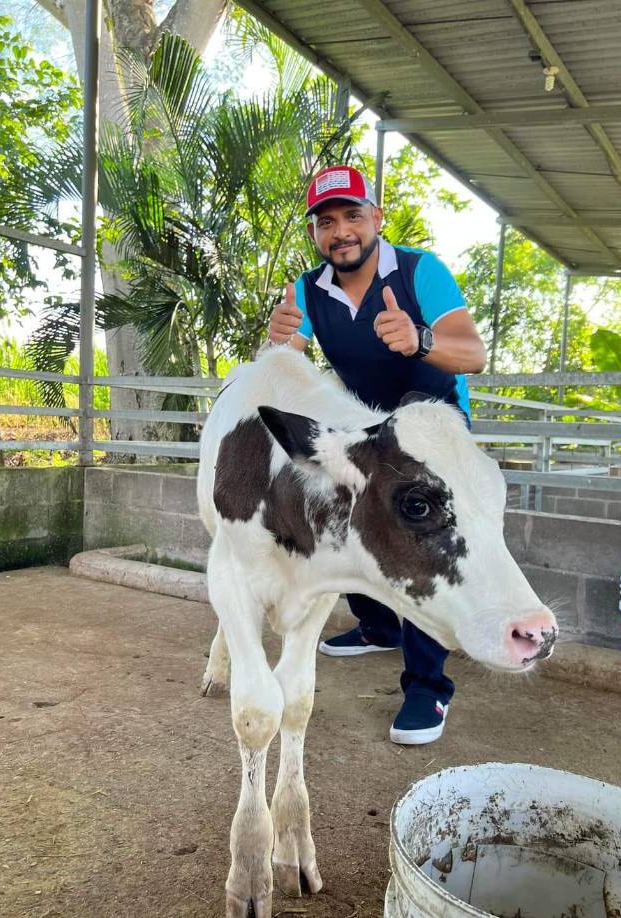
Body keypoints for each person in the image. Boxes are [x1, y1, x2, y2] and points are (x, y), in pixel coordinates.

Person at [268, 164, 487, 745]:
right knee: (341, 513)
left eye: (352, 216)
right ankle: (376, 625)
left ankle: (427, 688)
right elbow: (288, 359)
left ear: (376, 219)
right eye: (326, 221)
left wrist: (422, 340)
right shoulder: (306, 289)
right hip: (366, 431)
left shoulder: (420, 271)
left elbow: (473, 354)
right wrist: (280, 336)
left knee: (421, 540)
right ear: (316, 233)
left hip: (435, 423)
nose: (340, 231)